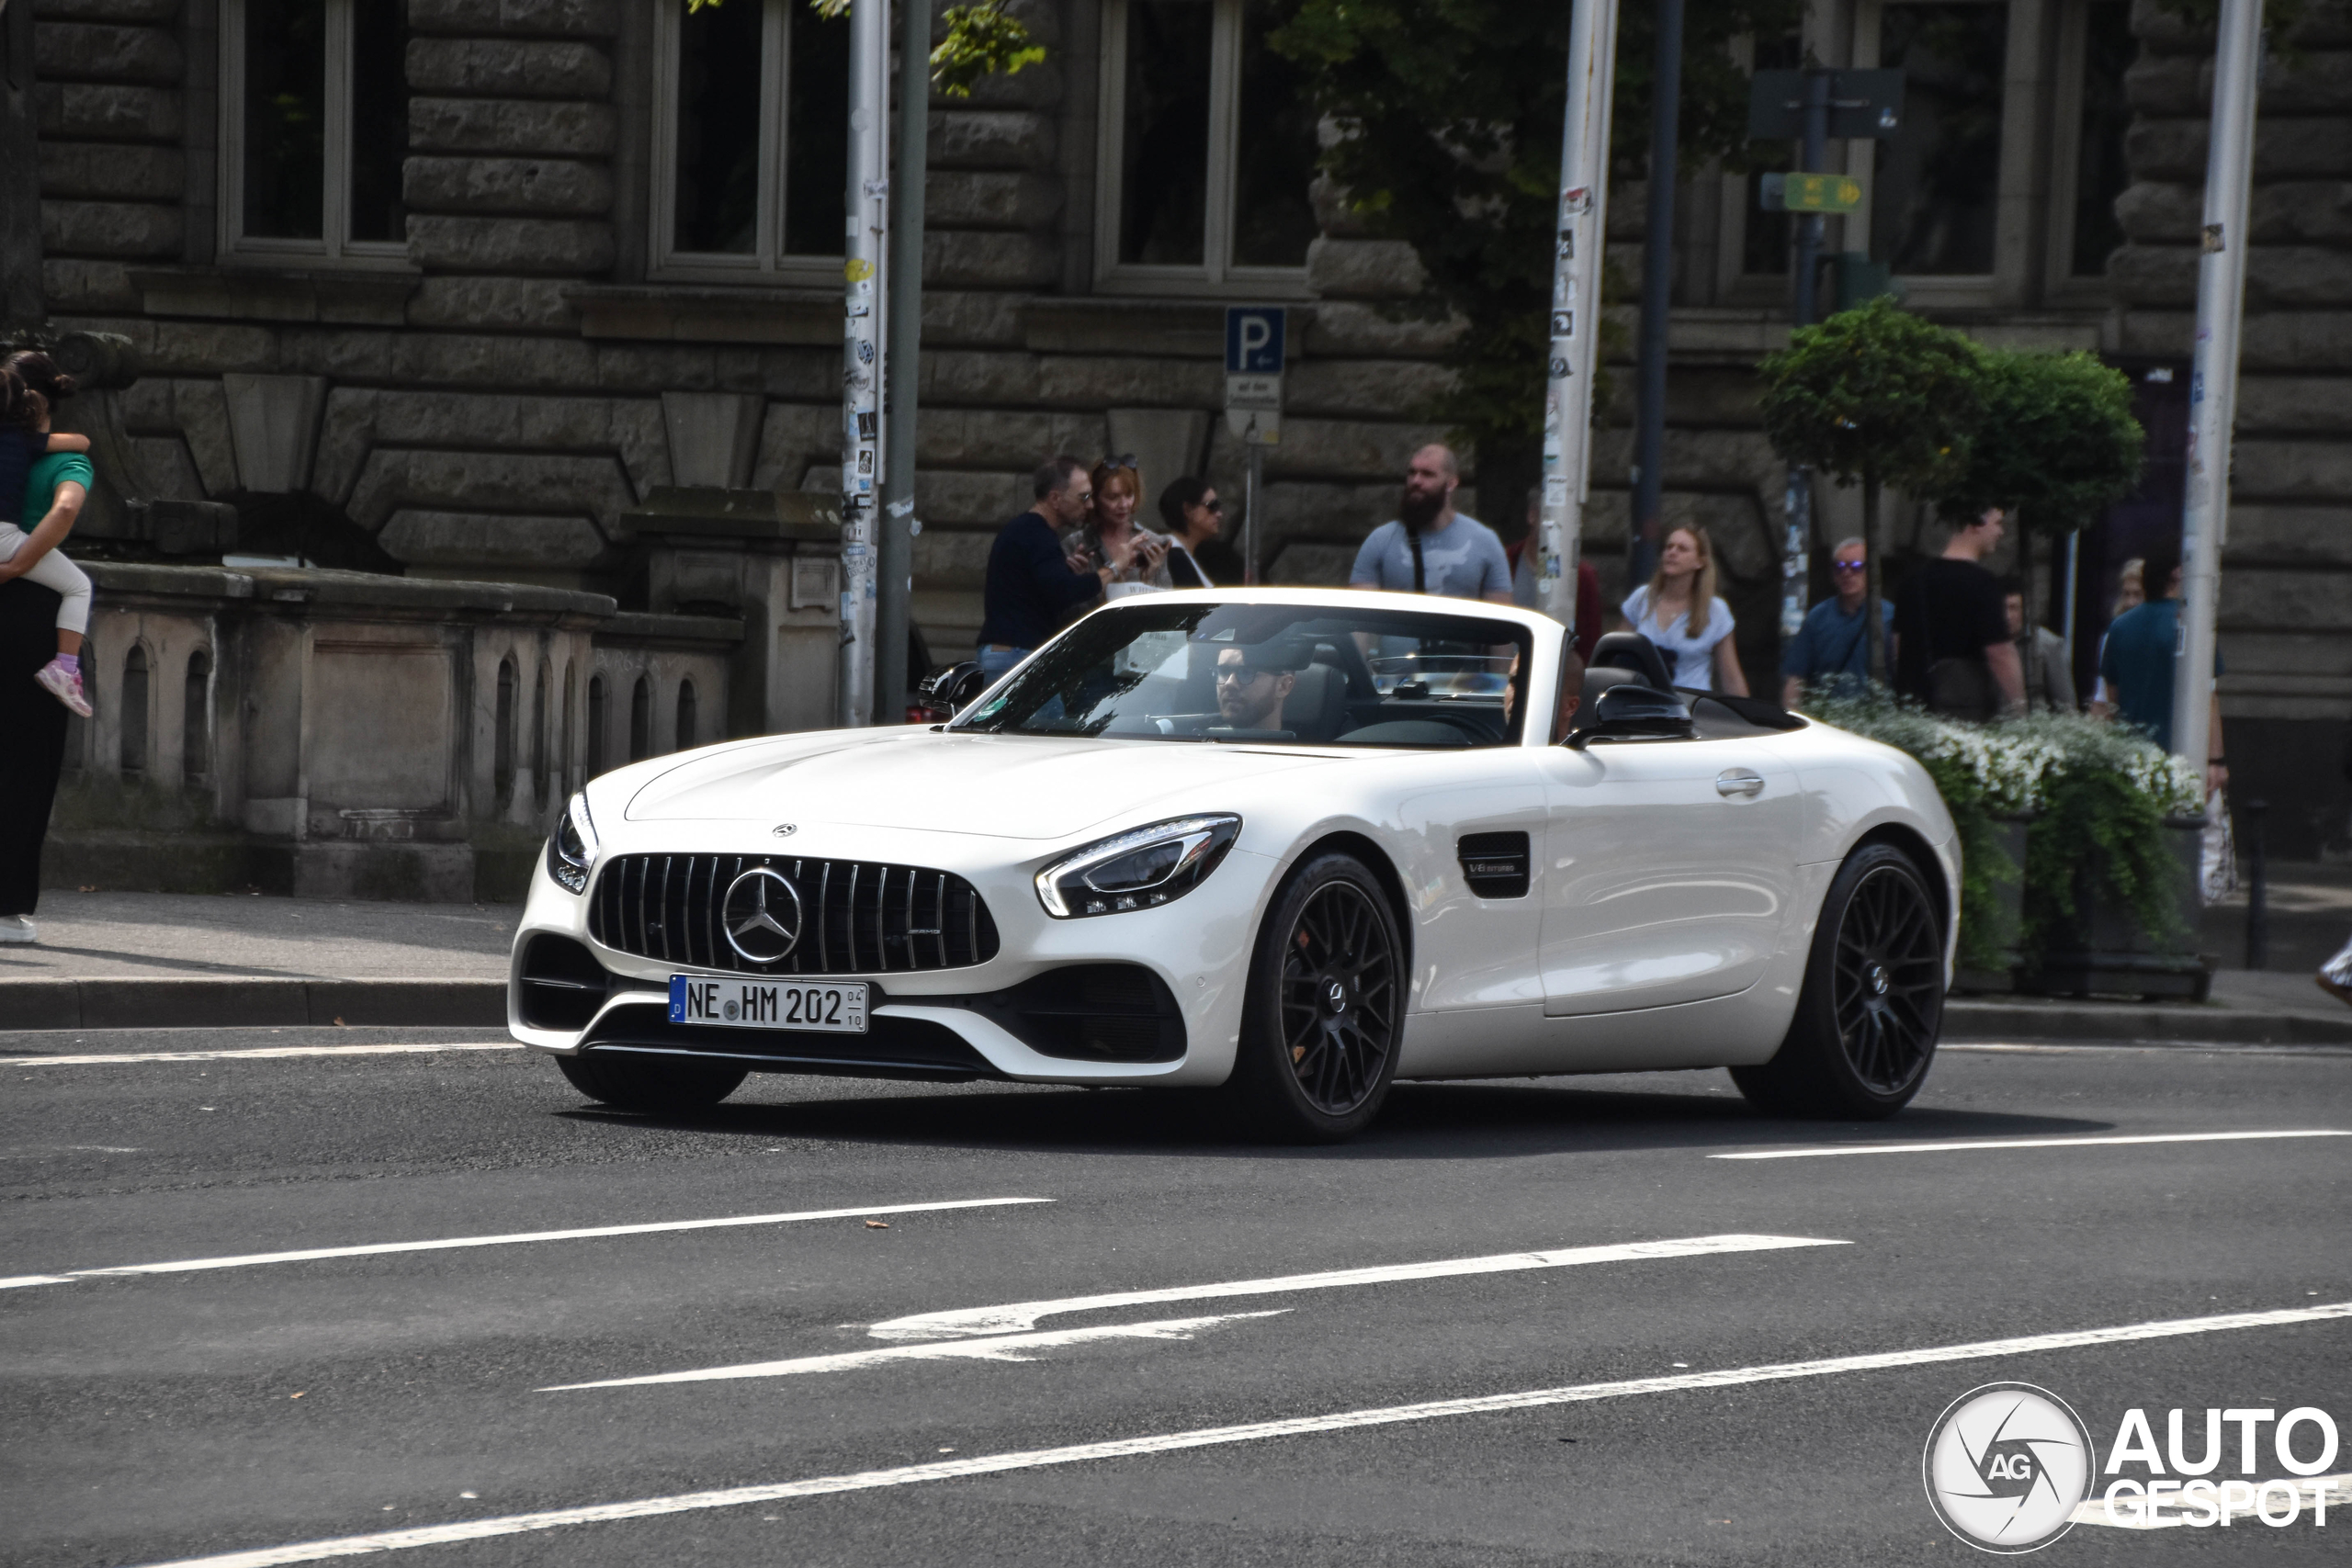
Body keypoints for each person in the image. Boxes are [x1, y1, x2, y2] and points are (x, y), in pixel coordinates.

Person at [0, 355, 97, 716]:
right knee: (79, 586)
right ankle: (65, 668)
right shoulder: (52, 456)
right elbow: (66, 509)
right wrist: (17, 565)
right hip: (34, 613)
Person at [976, 457, 1131, 681]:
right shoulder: (1037, 534)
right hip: (1018, 656)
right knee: (1047, 717)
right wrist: (1116, 565)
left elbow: (1049, 591)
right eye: (1083, 497)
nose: (1090, 505)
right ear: (1056, 498)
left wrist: (1069, 574)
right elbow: (1064, 591)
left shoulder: (1028, 531)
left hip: (1009, 654)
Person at [2098, 535, 2226, 797]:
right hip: (2184, 756)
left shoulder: (2119, 628)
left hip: (2130, 757)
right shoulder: (2195, 627)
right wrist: (2216, 761)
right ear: (2178, 576)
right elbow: (2209, 697)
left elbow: (2111, 700)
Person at [1893, 506, 2024, 718]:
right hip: (1964, 709)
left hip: (1915, 709)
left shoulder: (1913, 581)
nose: (2001, 533)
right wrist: (2020, 708)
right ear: (1976, 524)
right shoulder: (1984, 584)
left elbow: (1898, 644)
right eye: (1998, 523)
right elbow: (2000, 653)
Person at [1349, 444, 1512, 603]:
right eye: (1412, 473)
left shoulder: (1485, 542)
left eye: (1427, 474)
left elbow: (1502, 619)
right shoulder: (1380, 541)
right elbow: (1360, 619)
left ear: (1451, 484)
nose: (1416, 481)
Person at [1620, 525, 1748, 694]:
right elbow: (1617, 654)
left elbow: (1731, 678)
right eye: (1669, 547)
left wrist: (1745, 718)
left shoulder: (1716, 610)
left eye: (1682, 549)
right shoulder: (1641, 598)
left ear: (1699, 562)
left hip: (1691, 708)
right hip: (1642, 703)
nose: (1672, 552)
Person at [1780, 536, 1893, 707]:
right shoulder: (1817, 618)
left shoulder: (1889, 616)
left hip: (1877, 720)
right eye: (1839, 567)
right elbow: (1796, 676)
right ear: (1833, 575)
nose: (1846, 573)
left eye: (1855, 567)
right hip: (1830, 719)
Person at [1509, 485, 1603, 662]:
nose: (1556, 526)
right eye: (1551, 516)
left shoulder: (1582, 576)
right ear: (1533, 515)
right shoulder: (1507, 562)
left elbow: (1589, 644)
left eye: (1566, 519)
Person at [1067, 457, 1169, 589]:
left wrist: (1148, 582)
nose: (1124, 505)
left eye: (1129, 495)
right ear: (1095, 498)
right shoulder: (1075, 544)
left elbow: (1168, 602)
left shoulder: (1152, 542)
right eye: (1113, 497)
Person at [2003, 577, 2075, 713]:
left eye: (2014, 608)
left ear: (2026, 610)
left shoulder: (2047, 644)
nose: (2007, 616)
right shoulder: (1988, 644)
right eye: (2002, 608)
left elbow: (2065, 703)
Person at [2088, 558, 2143, 716]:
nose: (2130, 602)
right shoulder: (2113, 635)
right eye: (2126, 594)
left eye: (2138, 594)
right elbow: (2102, 697)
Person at [1158, 475, 1224, 589]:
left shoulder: (1180, 554)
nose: (1219, 514)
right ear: (1187, 510)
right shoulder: (1174, 558)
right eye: (1212, 506)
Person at [1212, 644, 1295, 732]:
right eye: (1223, 671)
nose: (1229, 683)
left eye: (1246, 672)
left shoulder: (1306, 745)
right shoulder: (1199, 740)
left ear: (1283, 686)